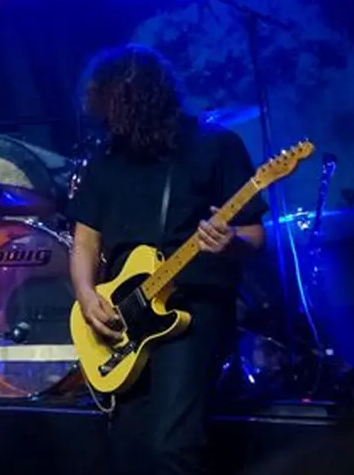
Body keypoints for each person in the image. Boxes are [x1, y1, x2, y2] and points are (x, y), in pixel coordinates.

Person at [66, 44, 268, 475]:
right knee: (128, 449)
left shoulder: (216, 146)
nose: (105, 120)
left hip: (192, 309)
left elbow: (254, 235)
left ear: (136, 100)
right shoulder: (105, 161)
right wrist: (85, 294)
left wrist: (229, 241)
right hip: (124, 317)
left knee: (171, 446)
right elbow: (84, 241)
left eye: (111, 107)